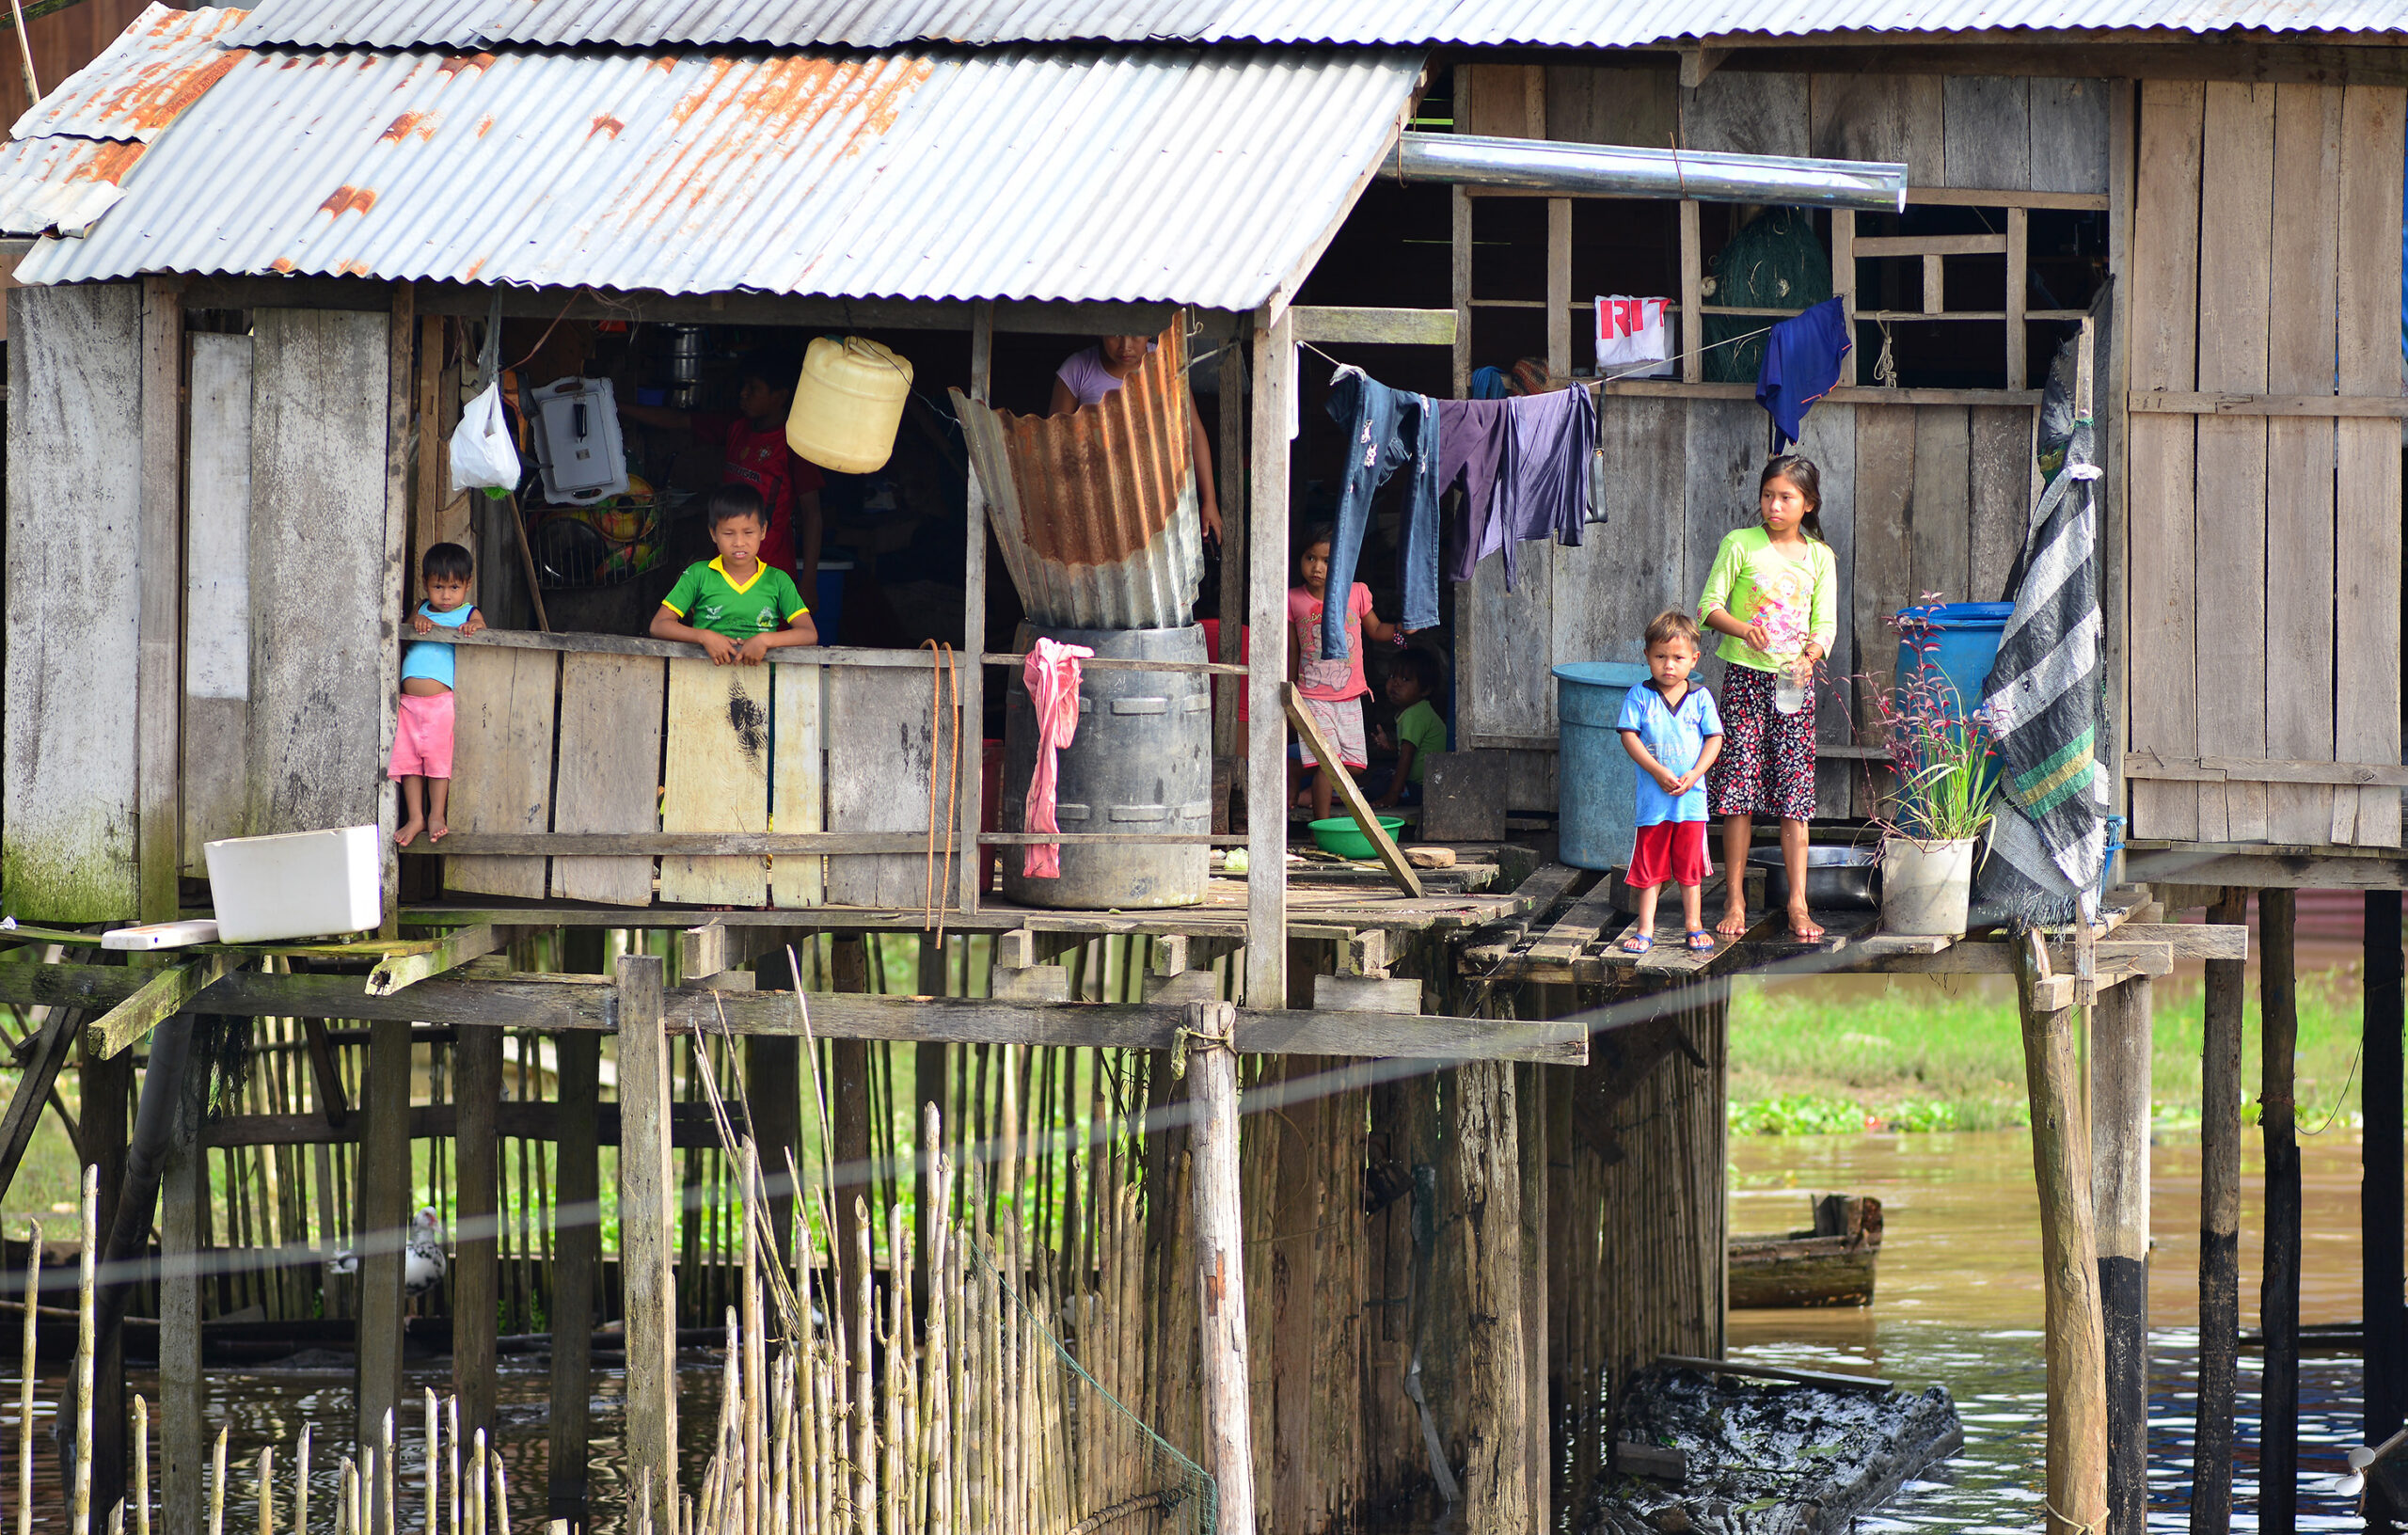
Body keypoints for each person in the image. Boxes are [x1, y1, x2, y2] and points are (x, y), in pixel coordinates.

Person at [1700, 453, 1838, 942]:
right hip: (1744, 679)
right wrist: (1743, 629)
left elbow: (1825, 623)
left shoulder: (1820, 557)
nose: (1774, 506)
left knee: (1794, 795)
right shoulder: (1740, 544)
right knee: (1737, 790)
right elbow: (1708, 607)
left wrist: (1811, 656)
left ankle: (1798, 903)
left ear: (1808, 504)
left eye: (1786, 498)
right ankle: (1734, 898)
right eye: (1767, 496)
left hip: (1793, 683)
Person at [622, 353, 824, 593]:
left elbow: (812, 514)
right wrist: (616, 407)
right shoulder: (736, 427)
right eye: (743, 386)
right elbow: (679, 420)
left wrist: (809, 581)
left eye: (753, 388)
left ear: (780, 396)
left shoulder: (793, 445)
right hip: (726, 571)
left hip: (769, 575)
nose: (743, 394)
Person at [1616, 611, 1724, 954]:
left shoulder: (1700, 697)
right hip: (1654, 803)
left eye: (1678, 657)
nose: (1668, 665)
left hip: (1691, 803)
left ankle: (1694, 926)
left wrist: (1696, 773)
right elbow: (1629, 737)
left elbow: (1714, 739)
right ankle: (1645, 928)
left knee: (1690, 870)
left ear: (1694, 659)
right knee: (1649, 869)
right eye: (1660, 656)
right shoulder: (1639, 696)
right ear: (1647, 655)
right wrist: (1656, 770)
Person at [1049, 335, 1223, 539]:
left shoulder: (1166, 362)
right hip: (1096, 501)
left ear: (1148, 331)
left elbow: (1193, 431)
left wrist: (1209, 500)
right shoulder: (1077, 369)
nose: (1126, 346)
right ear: (1100, 330)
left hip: (1158, 501)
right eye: (1115, 334)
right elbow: (1055, 444)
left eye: (1134, 334)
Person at [1287, 523, 1396, 823]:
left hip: (1349, 696)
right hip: (1312, 696)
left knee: (1356, 765)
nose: (1317, 567)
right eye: (1310, 558)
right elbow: (1293, 650)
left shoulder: (1356, 592)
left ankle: (1298, 771)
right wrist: (1290, 692)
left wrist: (1402, 632)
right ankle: (1321, 827)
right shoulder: (1293, 599)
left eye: (1326, 560)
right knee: (1329, 762)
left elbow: (1376, 629)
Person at [651, 485, 820, 663]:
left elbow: (809, 634)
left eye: (748, 532)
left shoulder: (778, 580)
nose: (739, 542)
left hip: (762, 678)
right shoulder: (698, 575)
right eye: (728, 533)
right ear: (713, 534)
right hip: (702, 676)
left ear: (763, 531)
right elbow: (658, 625)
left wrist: (765, 640)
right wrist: (704, 636)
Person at [391, 543, 484, 847]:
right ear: (425, 584)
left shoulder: (468, 612)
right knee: (408, 761)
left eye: (454, 587)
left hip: (440, 704)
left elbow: (481, 627)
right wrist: (415, 622)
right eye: (438, 587)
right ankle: (416, 816)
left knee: (436, 760)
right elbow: (405, 629)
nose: (446, 595)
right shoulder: (421, 609)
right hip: (407, 704)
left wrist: (472, 627)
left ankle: (436, 814)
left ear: (467, 585)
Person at [1369, 648, 1447, 810]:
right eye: (1392, 676)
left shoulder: (1415, 714)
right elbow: (1411, 750)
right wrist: (1390, 746)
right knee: (1380, 775)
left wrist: (1392, 795)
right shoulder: (1417, 711)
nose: (1395, 683)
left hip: (1420, 790)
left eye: (1405, 679)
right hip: (1424, 788)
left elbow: (1406, 756)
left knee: (1379, 780)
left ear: (1425, 689)